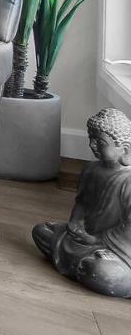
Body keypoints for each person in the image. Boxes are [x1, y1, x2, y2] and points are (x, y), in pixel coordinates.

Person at [32, 107, 131, 299]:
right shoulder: (91, 169)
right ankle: (84, 266)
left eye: (100, 142)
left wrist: (98, 240)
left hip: (116, 247)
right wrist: (75, 225)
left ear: (125, 149)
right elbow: (82, 202)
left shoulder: (128, 180)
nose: (93, 145)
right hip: (86, 239)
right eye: (91, 138)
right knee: (42, 231)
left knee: (102, 270)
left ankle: (102, 272)